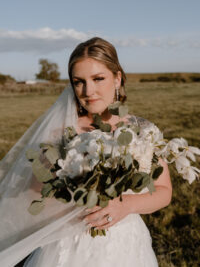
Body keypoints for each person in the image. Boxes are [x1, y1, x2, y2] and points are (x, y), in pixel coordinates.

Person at [0, 37, 172, 267]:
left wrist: (125, 205)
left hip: (124, 243)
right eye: (78, 81)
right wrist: (75, 203)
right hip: (70, 243)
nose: (88, 91)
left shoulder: (141, 131)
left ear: (117, 78)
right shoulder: (62, 133)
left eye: (98, 79)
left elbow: (163, 191)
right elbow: (35, 191)